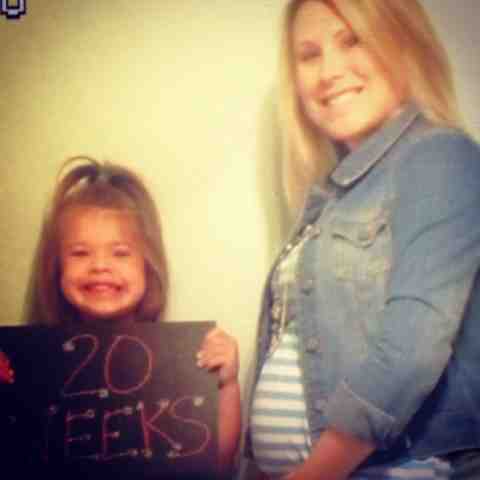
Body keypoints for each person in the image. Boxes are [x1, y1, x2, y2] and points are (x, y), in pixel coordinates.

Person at [245, 1, 480, 479]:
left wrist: (316, 473)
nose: (329, 71)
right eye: (309, 55)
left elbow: (413, 343)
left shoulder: (439, 156)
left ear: (403, 43)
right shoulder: (331, 195)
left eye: (352, 40)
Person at [0, 156, 241, 476]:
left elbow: (216, 462)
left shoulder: (178, 365)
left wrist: (227, 384)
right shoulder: (31, 366)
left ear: (148, 266)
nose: (100, 265)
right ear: (56, 267)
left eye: (120, 253)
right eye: (80, 253)